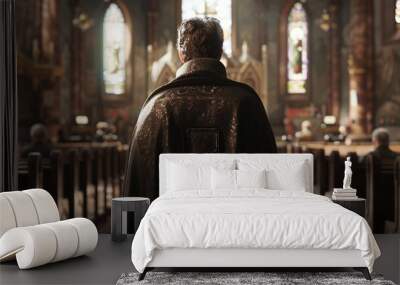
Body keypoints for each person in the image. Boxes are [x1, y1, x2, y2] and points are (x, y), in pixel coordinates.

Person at [123, 17, 277, 199]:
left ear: (181, 54)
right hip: (236, 223)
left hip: (169, 225)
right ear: (220, 52)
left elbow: (137, 189)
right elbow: (271, 181)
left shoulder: (157, 106)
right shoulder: (247, 103)